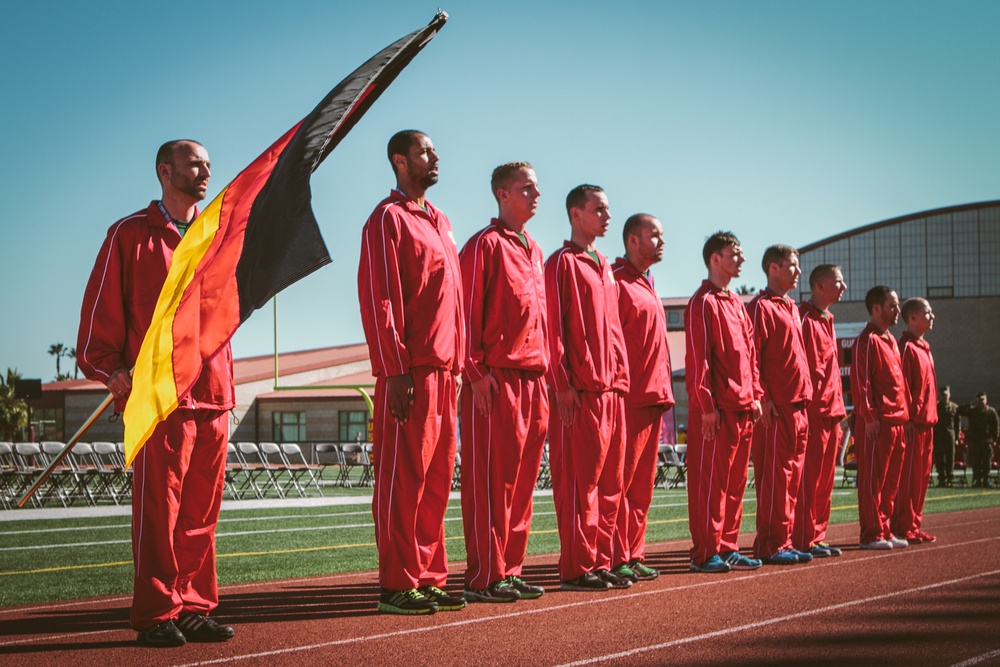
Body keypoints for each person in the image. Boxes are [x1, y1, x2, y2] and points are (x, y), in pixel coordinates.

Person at [77, 140, 236, 647]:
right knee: (159, 515)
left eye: (209, 163)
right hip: (160, 399)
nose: (206, 170)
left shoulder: (217, 235)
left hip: (213, 393)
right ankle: (154, 612)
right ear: (165, 171)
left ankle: (193, 606)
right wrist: (110, 371)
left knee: (200, 518)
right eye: (195, 163)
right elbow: (98, 320)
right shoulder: (129, 235)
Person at [358, 130, 466, 615]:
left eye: (434, 150)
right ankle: (397, 584)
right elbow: (381, 297)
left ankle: (428, 574)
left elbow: (454, 305)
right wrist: (394, 369)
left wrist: (460, 366)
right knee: (405, 479)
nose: (435, 156)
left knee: (437, 479)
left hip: (446, 372)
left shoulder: (441, 222)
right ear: (400, 161)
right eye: (425, 151)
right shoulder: (387, 218)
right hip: (410, 372)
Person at [458, 162, 548, 603]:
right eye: (526, 188)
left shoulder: (534, 249)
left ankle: (509, 569)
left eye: (536, 188)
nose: (536, 194)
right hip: (495, 381)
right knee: (492, 482)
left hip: (534, 379)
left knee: (523, 483)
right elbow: (464, 312)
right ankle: (484, 576)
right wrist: (474, 372)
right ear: (502, 195)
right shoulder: (483, 245)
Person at [546, 184, 631, 591]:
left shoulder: (604, 266)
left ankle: (599, 560)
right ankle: (577, 567)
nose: (607, 215)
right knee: (581, 484)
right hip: (580, 391)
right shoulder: (561, 262)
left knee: (611, 484)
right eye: (599, 209)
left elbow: (613, 330)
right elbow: (553, 328)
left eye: (608, 209)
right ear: (577, 214)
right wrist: (562, 383)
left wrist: (621, 378)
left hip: (613, 389)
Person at [684, 231, 763, 573]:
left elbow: (750, 356)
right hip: (718, 410)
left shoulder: (737, 305)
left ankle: (728, 545)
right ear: (715, 259)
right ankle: (706, 552)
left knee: (733, 486)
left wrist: (756, 395)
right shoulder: (703, 302)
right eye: (735, 254)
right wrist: (706, 406)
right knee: (710, 485)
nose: (741, 259)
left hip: (743, 407)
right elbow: (698, 359)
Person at [611, 214, 675, 582]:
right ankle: (616, 555)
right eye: (655, 235)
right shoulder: (616, 280)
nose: (662, 242)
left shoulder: (648, 282)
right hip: (629, 398)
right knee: (621, 483)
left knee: (641, 488)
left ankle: (633, 553)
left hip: (654, 396)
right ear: (633, 240)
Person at [747, 246, 814, 565]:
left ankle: (784, 540)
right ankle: (770, 544)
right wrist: (764, 397)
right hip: (778, 406)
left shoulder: (792, 307)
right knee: (775, 477)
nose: (798, 272)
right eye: (792, 266)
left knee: (792, 479)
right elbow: (753, 355)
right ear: (774, 268)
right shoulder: (761, 306)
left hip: (800, 404)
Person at [791, 264, 847, 558]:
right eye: (838, 282)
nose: (844, 287)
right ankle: (802, 537)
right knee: (809, 479)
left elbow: (831, 369)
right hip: (812, 410)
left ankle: (817, 535)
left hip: (831, 411)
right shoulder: (802, 317)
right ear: (820, 285)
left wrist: (839, 408)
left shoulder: (828, 319)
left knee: (826, 480)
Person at [850, 286, 909, 550]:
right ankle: (871, 533)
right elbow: (861, 383)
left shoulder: (890, 340)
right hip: (878, 422)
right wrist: (870, 416)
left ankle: (884, 529)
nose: (898, 310)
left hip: (897, 421)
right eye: (892, 306)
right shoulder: (868, 339)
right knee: (873, 480)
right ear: (877, 308)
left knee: (890, 481)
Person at [892, 298, 939, 543]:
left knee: (921, 478)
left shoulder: (924, 347)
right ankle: (902, 525)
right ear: (912, 318)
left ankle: (913, 523)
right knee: (908, 478)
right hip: (913, 423)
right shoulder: (906, 347)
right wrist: (907, 418)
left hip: (928, 422)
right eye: (927, 312)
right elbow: (902, 386)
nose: (932, 316)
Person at [963, 392, 999, 487]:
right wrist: (970, 403)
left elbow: (995, 426)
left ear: (986, 400)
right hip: (975, 441)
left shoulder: (991, 412)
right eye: (979, 400)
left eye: (983, 399)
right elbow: (960, 411)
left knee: (987, 462)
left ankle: (986, 480)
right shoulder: (972, 411)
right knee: (976, 462)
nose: (981, 402)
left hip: (987, 441)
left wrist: (994, 439)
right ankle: (977, 480)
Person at [934, 386, 961, 487]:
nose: (944, 397)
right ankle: (941, 479)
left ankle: (949, 478)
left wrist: (957, 438)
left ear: (949, 395)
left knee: (950, 458)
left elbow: (957, 424)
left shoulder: (954, 407)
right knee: (939, 458)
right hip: (939, 435)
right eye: (943, 395)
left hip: (950, 435)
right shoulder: (936, 406)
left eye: (946, 394)